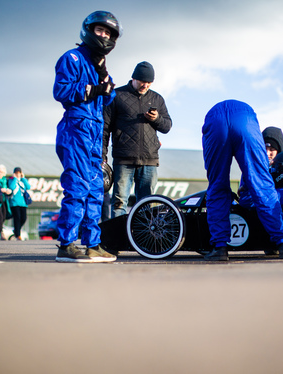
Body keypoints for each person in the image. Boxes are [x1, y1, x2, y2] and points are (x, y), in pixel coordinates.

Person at [53, 10, 122, 263]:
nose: (104, 36)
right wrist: (92, 89)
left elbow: (110, 96)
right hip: (76, 128)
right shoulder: (72, 58)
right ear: (89, 30)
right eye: (100, 31)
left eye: (108, 33)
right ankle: (67, 244)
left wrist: (104, 77)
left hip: (95, 129)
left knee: (96, 189)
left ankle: (93, 244)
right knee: (77, 186)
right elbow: (60, 90)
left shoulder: (99, 64)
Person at [202, 100, 283, 261]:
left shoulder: (214, 113)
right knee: (262, 185)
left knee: (217, 185)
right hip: (245, 118)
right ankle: (282, 244)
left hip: (214, 119)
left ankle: (220, 248)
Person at [103, 61, 172, 218]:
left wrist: (156, 119)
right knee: (120, 202)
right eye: (142, 81)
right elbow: (105, 129)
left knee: (147, 204)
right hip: (123, 159)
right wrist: (103, 155)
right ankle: (118, 241)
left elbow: (167, 126)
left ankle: (142, 241)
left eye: (149, 82)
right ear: (134, 78)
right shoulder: (117, 96)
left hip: (149, 160)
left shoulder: (157, 99)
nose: (145, 85)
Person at [238, 126, 283, 208]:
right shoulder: (251, 167)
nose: (267, 153)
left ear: (279, 151)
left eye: (272, 149)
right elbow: (245, 198)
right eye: (264, 149)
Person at [8, 167, 31, 240]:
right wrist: (15, 178)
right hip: (14, 203)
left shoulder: (23, 181)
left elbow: (28, 187)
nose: (18, 174)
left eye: (19, 173)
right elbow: (11, 187)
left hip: (23, 203)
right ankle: (18, 235)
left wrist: (23, 178)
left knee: (23, 218)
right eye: (16, 173)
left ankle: (16, 230)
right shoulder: (11, 180)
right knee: (17, 218)